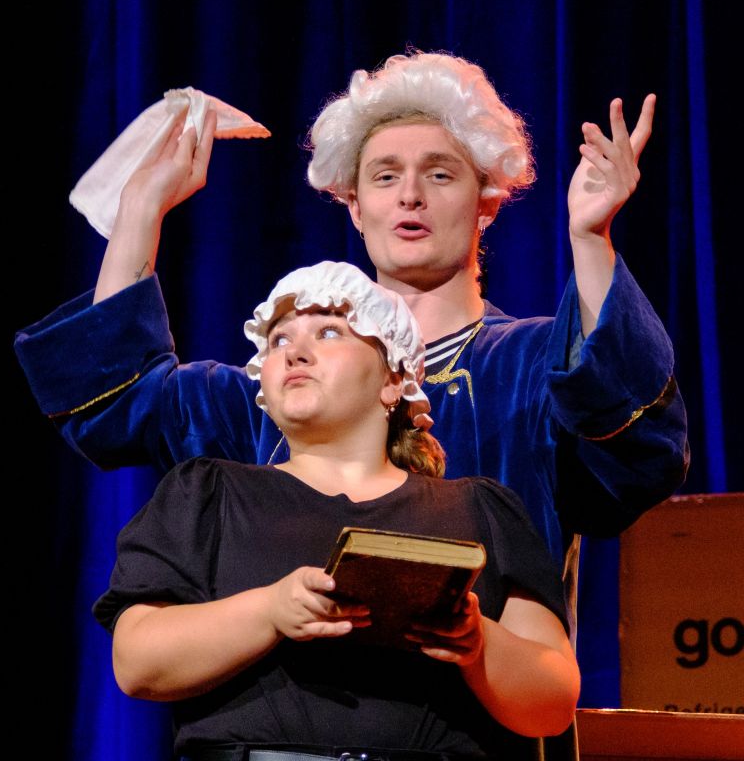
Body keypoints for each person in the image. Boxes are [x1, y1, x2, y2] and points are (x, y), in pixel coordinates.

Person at [14, 49, 688, 574]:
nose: (411, 195)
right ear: (354, 205)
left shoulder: (531, 367)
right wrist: (139, 214)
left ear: (486, 199)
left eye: (441, 173)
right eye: (386, 175)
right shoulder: (285, 385)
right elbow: (116, 404)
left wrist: (589, 239)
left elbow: (638, 451)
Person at [92, 260, 581, 761]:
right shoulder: (207, 495)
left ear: (394, 379)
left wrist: (478, 642)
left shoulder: (480, 511)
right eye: (279, 340)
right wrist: (270, 610)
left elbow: (553, 702)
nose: (296, 352)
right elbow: (136, 662)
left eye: (328, 332)